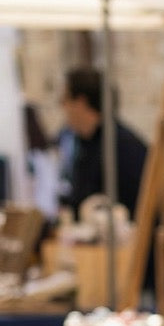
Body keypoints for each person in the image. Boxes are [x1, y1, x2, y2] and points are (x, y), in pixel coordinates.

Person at [60, 66, 149, 221]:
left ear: (81, 102)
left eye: (65, 99)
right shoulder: (85, 143)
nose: (62, 106)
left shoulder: (122, 146)